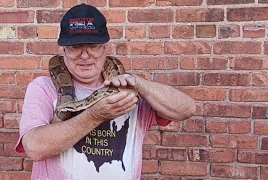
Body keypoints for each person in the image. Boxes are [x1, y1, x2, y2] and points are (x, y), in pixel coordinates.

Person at [15, 3, 196, 180]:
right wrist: (95, 115)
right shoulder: (44, 88)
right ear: (63, 51)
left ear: (105, 48)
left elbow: (186, 108)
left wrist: (139, 83)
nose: (85, 56)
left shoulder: (128, 92)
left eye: (93, 46)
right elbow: (34, 147)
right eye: (75, 47)